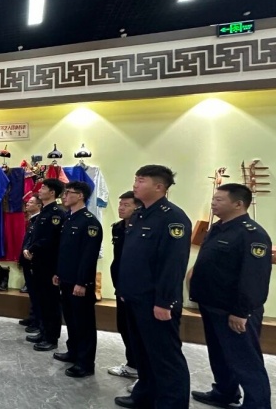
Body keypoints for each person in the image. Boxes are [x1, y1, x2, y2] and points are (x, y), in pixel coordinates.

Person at [189, 183, 273, 408]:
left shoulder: (252, 234)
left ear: (238, 204)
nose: (213, 203)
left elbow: (254, 278)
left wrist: (241, 312)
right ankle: (225, 392)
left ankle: (257, 404)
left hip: (234, 310)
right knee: (220, 355)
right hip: (212, 305)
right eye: (213, 199)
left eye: (219, 200)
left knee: (245, 360)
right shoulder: (218, 228)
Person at [114, 165, 192, 409]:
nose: (135, 185)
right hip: (134, 297)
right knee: (142, 353)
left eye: (141, 180)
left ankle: (172, 404)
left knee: (165, 357)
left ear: (159, 187)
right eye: (135, 179)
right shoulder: (139, 215)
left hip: (155, 302)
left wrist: (164, 302)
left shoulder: (173, 218)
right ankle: (145, 395)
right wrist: (124, 291)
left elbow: (173, 264)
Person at [53, 181, 103, 378]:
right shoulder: (69, 218)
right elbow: (64, 251)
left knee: (84, 323)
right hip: (66, 278)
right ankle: (73, 351)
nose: (64, 196)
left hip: (79, 282)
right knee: (72, 320)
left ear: (80, 196)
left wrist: (82, 282)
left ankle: (85, 363)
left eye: (69, 193)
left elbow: (88, 256)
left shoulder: (89, 222)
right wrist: (58, 272)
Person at [24, 179, 65, 352]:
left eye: (43, 188)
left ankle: (51, 337)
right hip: (38, 263)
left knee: (51, 302)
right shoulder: (43, 212)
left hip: (49, 264)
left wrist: (32, 249)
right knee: (41, 300)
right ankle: (43, 331)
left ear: (52, 193)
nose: (40, 190)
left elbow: (50, 239)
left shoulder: (56, 213)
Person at [107, 191, 141, 381]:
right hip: (120, 284)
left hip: (136, 287)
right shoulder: (118, 228)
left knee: (137, 330)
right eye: (120, 204)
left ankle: (141, 369)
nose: (121, 208)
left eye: (126, 205)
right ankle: (132, 364)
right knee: (124, 326)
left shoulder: (142, 229)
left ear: (138, 208)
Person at [18, 195, 43, 333]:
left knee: (37, 292)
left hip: (34, 261)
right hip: (27, 260)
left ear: (39, 206)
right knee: (32, 292)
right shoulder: (32, 220)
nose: (27, 204)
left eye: (31, 202)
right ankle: (33, 317)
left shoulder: (39, 220)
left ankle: (37, 321)